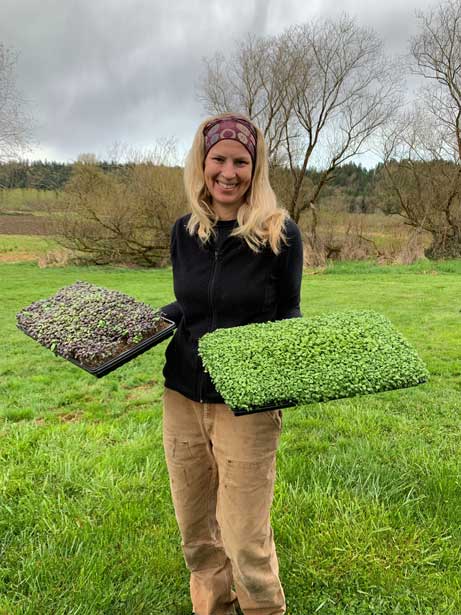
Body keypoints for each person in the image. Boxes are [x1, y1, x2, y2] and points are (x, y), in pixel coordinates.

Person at [160, 113, 303, 615]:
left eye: (240, 161)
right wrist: (145, 325)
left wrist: (287, 368)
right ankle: (214, 607)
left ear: (254, 166)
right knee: (197, 531)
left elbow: (289, 311)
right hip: (182, 394)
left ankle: (263, 607)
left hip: (247, 402)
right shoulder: (184, 231)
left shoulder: (277, 232)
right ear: (202, 163)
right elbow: (193, 305)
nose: (228, 171)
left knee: (244, 538)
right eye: (218, 158)